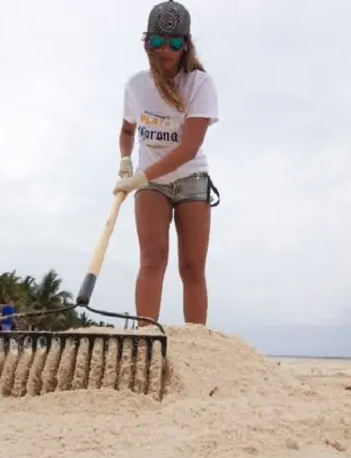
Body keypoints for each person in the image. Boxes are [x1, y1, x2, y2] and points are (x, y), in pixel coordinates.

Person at [113, 0, 220, 326]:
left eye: (175, 43)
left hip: (190, 179)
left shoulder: (199, 84)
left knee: (191, 267)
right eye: (158, 41)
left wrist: (140, 177)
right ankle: (145, 337)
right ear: (147, 42)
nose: (166, 50)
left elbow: (189, 148)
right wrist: (125, 162)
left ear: (185, 46)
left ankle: (198, 345)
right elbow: (127, 130)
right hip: (150, 184)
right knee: (152, 259)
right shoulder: (135, 86)